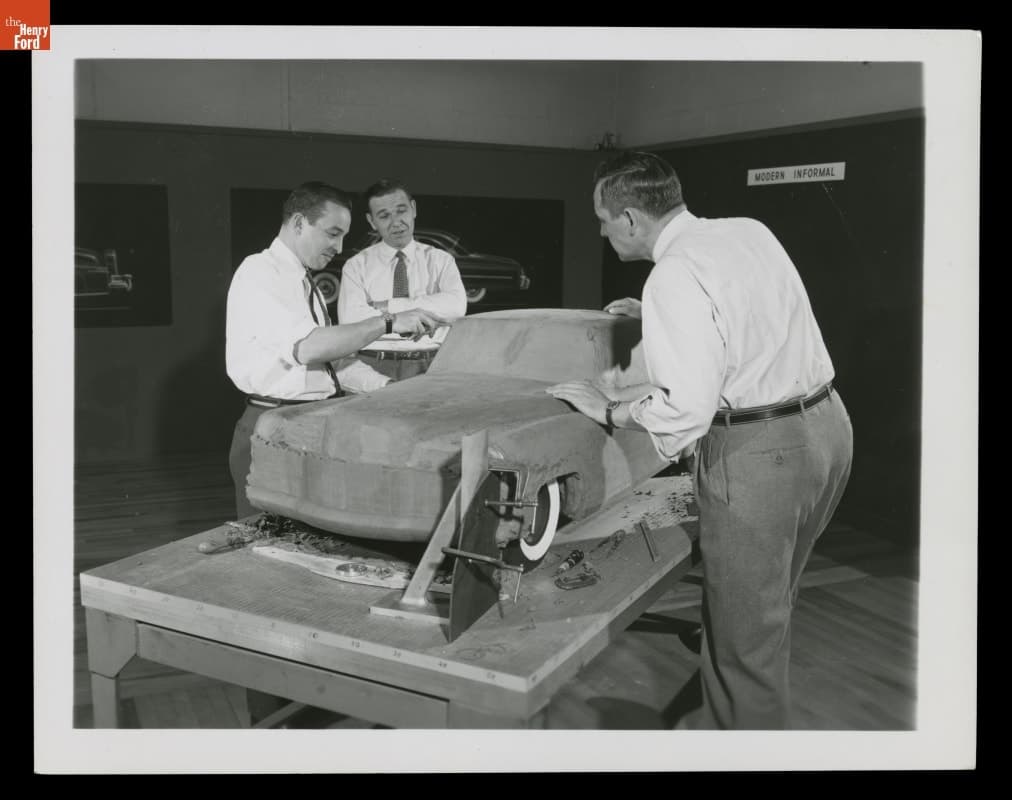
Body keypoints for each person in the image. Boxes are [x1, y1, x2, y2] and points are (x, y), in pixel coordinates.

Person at [547, 152, 853, 730]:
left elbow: (685, 412)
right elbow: (753, 314)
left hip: (762, 452)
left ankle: (738, 746)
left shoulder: (673, 275)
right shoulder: (745, 231)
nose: (603, 230)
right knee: (767, 611)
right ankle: (721, 727)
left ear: (632, 219)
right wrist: (661, 318)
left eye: (604, 219)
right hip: (828, 428)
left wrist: (610, 408)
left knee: (745, 643)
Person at [226, 181, 446, 520]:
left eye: (343, 236)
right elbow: (309, 348)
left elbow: (335, 363)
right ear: (299, 223)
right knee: (266, 549)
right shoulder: (259, 273)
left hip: (309, 426)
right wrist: (387, 322)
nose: (339, 246)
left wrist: (391, 390)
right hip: (272, 429)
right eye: (332, 233)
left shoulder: (305, 282)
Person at [337, 179, 468, 380]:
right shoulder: (355, 266)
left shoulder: (441, 260)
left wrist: (387, 306)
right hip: (373, 366)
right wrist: (409, 315)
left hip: (433, 365)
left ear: (413, 209)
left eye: (401, 210)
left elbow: (456, 306)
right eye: (384, 216)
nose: (396, 222)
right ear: (372, 221)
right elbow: (351, 319)